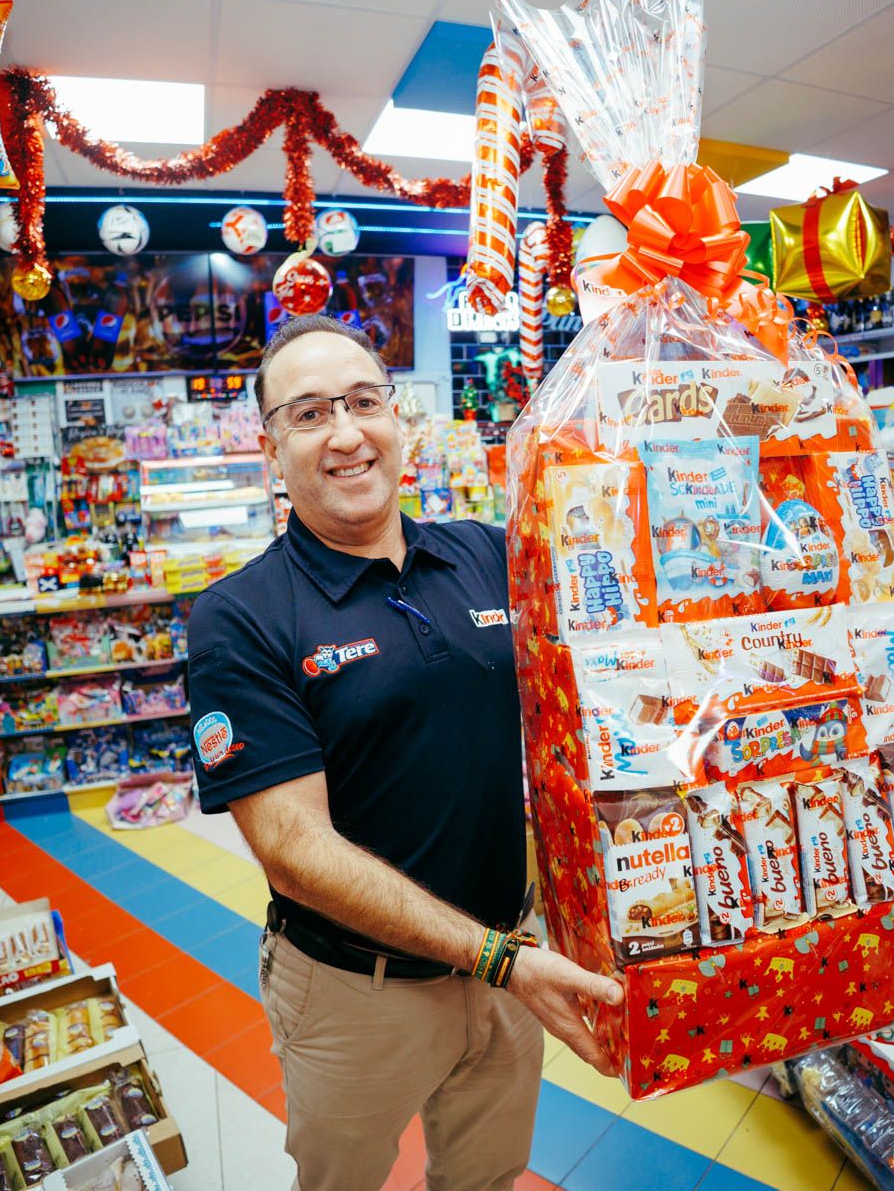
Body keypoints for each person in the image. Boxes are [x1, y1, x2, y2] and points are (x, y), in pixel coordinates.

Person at [185, 314, 622, 1191]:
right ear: (271, 447)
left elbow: (610, 660)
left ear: (400, 418)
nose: (345, 434)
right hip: (358, 992)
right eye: (308, 415)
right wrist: (500, 957)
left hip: (511, 965)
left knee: (489, 1178)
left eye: (362, 402)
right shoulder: (241, 616)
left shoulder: (485, 553)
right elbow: (294, 853)